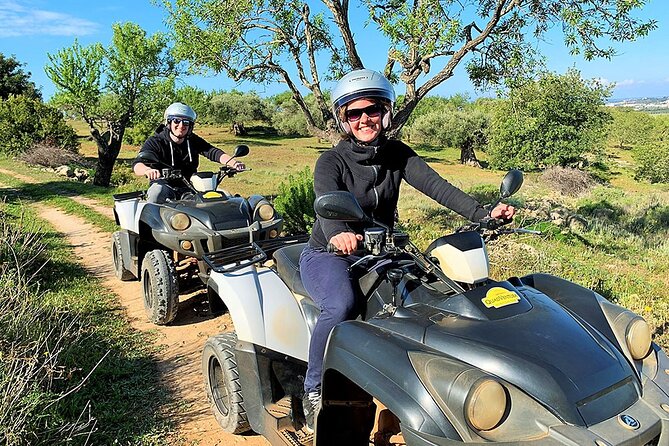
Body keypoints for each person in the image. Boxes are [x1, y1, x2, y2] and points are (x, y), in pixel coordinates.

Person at [298, 69, 515, 431]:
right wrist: (339, 233)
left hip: (382, 249)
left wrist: (484, 214)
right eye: (354, 113)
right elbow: (326, 200)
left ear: (385, 112)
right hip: (330, 253)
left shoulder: (397, 154)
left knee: (439, 291)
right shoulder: (330, 161)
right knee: (341, 305)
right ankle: (315, 388)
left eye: (373, 110)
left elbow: (438, 187)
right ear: (343, 118)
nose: (364, 119)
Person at [133, 102, 245, 203]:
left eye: (186, 122)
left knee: (222, 198)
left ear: (190, 126)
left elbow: (212, 152)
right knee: (156, 193)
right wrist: (147, 170)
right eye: (176, 121)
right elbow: (138, 164)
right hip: (164, 185)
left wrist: (233, 163)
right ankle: (151, 225)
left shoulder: (192, 140)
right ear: (169, 123)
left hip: (190, 186)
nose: (181, 126)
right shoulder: (156, 141)